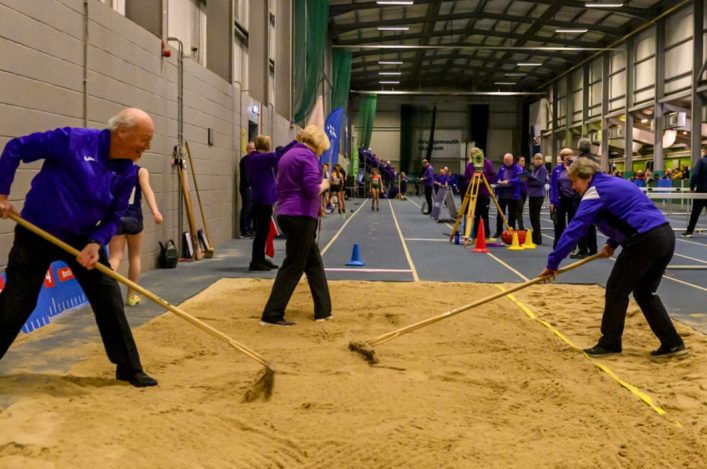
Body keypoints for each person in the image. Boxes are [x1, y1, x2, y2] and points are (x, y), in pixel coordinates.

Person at [0, 107, 158, 387]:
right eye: (144, 139)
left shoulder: (128, 173)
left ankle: (129, 368)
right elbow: (15, 148)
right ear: (122, 132)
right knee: (18, 302)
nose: (147, 147)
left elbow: (115, 215)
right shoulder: (71, 140)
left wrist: (97, 242)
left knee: (108, 296)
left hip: (83, 241)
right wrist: (1, 193)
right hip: (37, 233)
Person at [540, 158, 686, 358]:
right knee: (644, 293)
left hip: (645, 241)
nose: (573, 187)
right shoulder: (617, 182)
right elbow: (628, 212)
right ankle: (672, 344)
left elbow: (575, 228)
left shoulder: (594, 191)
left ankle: (610, 343)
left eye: (575, 181)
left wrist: (553, 263)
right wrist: (612, 243)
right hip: (665, 236)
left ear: (587, 177)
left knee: (616, 290)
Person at [260, 125, 333, 326]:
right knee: (293, 266)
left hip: (287, 212)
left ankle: (324, 310)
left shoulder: (289, 155)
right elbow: (311, 189)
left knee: (313, 262)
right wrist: (326, 184)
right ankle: (272, 314)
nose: (322, 152)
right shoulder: (308, 158)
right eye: (322, 148)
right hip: (300, 215)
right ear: (317, 144)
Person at [108, 165, 163, 306]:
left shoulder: (111, 169)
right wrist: (155, 212)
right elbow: (147, 190)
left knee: (115, 257)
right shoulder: (141, 171)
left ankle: (105, 296)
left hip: (116, 218)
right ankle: (131, 296)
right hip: (134, 218)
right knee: (135, 257)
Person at [246, 135, 285, 271]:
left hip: (265, 199)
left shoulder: (260, 159)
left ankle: (260, 258)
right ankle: (256, 261)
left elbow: (276, 162)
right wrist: (296, 143)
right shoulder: (258, 158)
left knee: (264, 231)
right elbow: (278, 155)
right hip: (262, 199)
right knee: (261, 232)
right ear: (266, 145)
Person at [463, 147, 496, 239]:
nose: (475, 156)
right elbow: (465, 178)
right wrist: (471, 181)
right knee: (475, 215)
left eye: (476, 153)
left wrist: (483, 180)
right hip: (474, 194)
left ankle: (486, 235)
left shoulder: (487, 163)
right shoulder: (469, 166)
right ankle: (476, 235)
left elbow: (493, 176)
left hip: (484, 193)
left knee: (485, 215)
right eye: (472, 154)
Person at [549, 148, 579, 249]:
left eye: (570, 155)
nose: (569, 157)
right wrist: (552, 201)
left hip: (573, 199)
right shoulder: (556, 170)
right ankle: (557, 243)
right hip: (561, 199)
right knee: (559, 224)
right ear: (563, 157)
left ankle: (571, 245)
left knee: (572, 223)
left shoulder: (575, 169)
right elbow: (553, 186)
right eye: (567, 155)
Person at [574, 138, 598, 258]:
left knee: (581, 221)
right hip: (593, 193)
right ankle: (593, 249)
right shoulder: (593, 159)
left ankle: (582, 249)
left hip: (583, 194)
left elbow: (579, 177)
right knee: (591, 222)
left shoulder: (581, 160)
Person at [493, 153, 522, 237]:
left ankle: (510, 231)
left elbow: (519, 179)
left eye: (508, 161)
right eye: (505, 161)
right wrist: (499, 181)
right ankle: (498, 231)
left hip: (513, 195)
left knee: (512, 214)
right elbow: (498, 177)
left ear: (512, 160)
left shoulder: (517, 168)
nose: (506, 163)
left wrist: (509, 181)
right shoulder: (502, 167)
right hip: (502, 194)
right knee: (500, 213)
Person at [682, 145, 707, 237]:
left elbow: (695, 175)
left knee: (695, 213)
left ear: (704, 151)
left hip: (701, 191)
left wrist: (692, 188)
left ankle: (689, 232)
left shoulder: (701, 161)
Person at [527, 153, 547, 245]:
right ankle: (535, 236)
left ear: (542, 160)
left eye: (540, 159)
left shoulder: (543, 169)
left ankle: (537, 238)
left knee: (535, 217)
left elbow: (540, 183)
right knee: (532, 217)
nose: (538, 160)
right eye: (536, 159)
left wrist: (530, 182)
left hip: (538, 195)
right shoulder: (534, 169)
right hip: (532, 195)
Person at [239, 141, 255, 238]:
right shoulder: (244, 160)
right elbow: (245, 175)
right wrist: (250, 185)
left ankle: (249, 229)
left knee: (251, 209)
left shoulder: (255, 160)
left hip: (252, 188)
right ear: (247, 150)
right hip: (246, 187)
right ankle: (244, 231)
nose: (252, 151)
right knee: (247, 208)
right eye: (250, 149)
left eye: (253, 149)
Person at [515, 155, 528, 231]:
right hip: (518, 192)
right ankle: (521, 227)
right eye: (522, 161)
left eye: (524, 161)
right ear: (518, 162)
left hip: (524, 192)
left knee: (520, 210)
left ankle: (520, 226)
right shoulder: (516, 170)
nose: (523, 162)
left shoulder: (525, 171)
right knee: (519, 209)